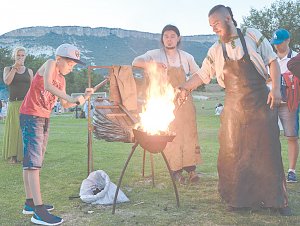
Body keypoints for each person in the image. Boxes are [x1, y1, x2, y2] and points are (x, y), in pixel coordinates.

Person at [178, 5, 291, 215]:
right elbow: (203, 75)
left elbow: (272, 61)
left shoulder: (251, 35)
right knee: (233, 154)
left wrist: (275, 89)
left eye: (216, 24)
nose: (214, 29)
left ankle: (274, 201)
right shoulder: (215, 50)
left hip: (259, 103)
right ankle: (238, 200)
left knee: (267, 152)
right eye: (211, 26)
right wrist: (185, 87)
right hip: (233, 109)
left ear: (228, 18)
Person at [19, 43, 94, 225]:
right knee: (33, 164)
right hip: (31, 114)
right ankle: (39, 211)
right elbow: (47, 85)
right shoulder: (50, 63)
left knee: (33, 161)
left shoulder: (62, 80)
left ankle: (30, 203)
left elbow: (66, 104)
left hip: (44, 117)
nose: (72, 67)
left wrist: (84, 96)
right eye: (70, 63)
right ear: (59, 59)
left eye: (74, 65)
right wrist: (70, 98)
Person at [132, 24, 201, 184]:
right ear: (162, 39)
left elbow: (198, 75)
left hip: (185, 101)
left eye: (172, 36)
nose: (169, 39)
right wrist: (153, 65)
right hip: (165, 103)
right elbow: (136, 62)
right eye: (166, 36)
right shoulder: (154, 54)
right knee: (171, 135)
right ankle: (175, 171)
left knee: (190, 134)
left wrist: (186, 88)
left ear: (178, 38)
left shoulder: (186, 57)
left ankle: (192, 170)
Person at [270, 28, 299, 183]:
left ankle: (292, 170)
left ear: (288, 40)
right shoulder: (270, 57)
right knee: (271, 136)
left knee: (292, 136)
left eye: (279, 43)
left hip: (289, 102)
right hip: (271, 102)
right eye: (275, 43)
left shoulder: (296, 58)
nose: (277, 46)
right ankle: (274, 168)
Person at [2, 47, 33, 163]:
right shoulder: (8, 69)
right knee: (14, 128)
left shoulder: (29, 71)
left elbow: (32, 89)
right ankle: (12, 156)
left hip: (26, 104)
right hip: (13, 103)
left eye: (22, 55)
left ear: (25, 56)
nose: (20, 57)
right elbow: (7, 81)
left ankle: (25, 155)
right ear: (14, 57)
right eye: (18, 55)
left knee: (25, 130)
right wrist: (15, 67)